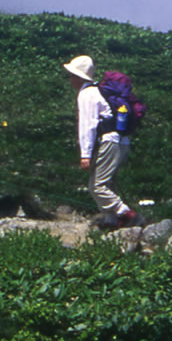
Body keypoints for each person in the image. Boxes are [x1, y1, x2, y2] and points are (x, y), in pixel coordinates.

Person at [65, 54, 139, 228]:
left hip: (109, 141)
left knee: (98, 186)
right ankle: (111, 220)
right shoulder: (98, 90)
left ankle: (127, 213)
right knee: (106, 183)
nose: (69, 79)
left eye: (71, 75)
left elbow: (87, 126)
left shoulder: (86, 94)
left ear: (79, 77)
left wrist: (85, 154)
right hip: (122, 141)